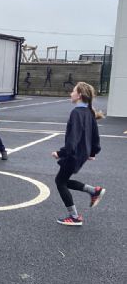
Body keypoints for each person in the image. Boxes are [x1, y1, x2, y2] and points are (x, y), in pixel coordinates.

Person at [52, 81, 105, 226]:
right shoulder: (89, 112)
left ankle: (75, 217)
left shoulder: (76, 113)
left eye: (73, 91)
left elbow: (73, 138)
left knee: (60, 182)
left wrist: (61, 153)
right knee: (63, 181)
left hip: (73, 154)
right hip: (81, 154)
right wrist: (92, 152)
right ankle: (93, 191)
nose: (71, 93)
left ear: (79, 95)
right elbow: (95, 136)